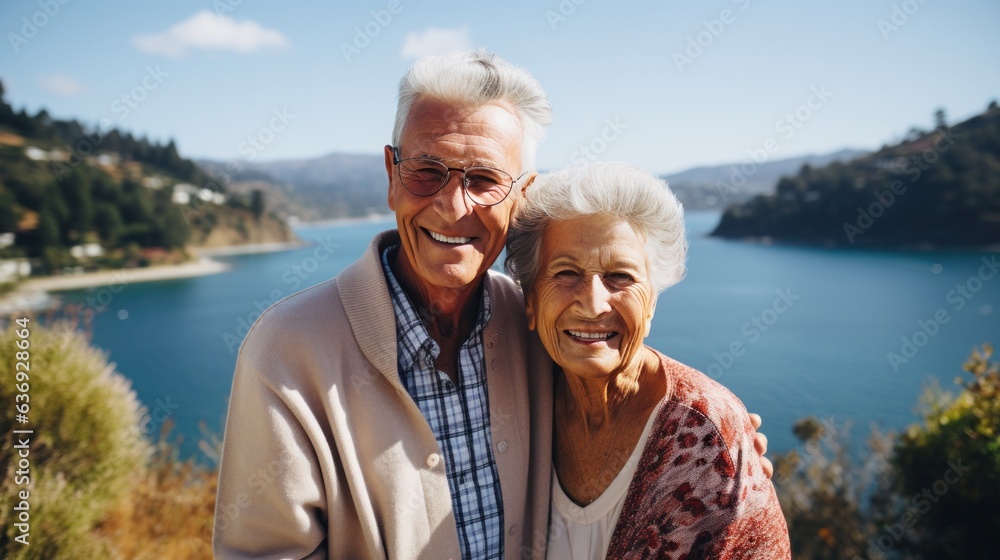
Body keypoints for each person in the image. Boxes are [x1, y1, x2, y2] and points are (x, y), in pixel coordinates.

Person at [213, 50, 772, 559]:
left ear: (521, 196)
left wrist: (712, 441)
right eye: (427, 172)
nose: (453, 207)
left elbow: (608, 337)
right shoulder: (288, 348)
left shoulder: (533, 319)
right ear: (391, 175)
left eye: (483, 179)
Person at [505, 162, 791, 559]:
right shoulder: (515, 400)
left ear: (652, 300)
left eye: (619, 276)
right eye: (566, 272)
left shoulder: (706, 437)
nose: (593, 303)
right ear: (531, 302)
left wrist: (730, 439)